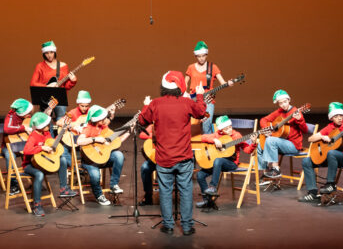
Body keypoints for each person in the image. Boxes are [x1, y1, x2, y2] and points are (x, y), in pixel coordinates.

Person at [138, 71, 207, 235]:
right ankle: (187, 226)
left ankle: (168, 226)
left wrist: (146, 105)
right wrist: (200, 96)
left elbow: (142, 121)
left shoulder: (155, 104)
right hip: (183, 157)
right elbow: (201, 112)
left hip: (164, 158)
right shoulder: (186, 103)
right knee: (185, 192)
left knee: (165, 192)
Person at [300, 102, 343, 202]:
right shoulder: (330, 127)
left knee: (331, 153)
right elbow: (310, 139)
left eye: (341, 115)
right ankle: (312, 192)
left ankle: (330, 184)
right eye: (336, 116)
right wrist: (322, 137)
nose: (339, 118)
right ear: (331, 118)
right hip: (331, 158)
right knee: (306, 161)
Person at [21, 112, 75, 217]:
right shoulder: (33, 136)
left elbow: (51, 143)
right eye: (46, 125)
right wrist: (41, 148)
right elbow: (26, 150)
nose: (49, 126)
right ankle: (37, 206)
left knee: (63, 160)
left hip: (44, 162)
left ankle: (64, 189)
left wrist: (61, 134)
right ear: (40, 126)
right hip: (30, 165)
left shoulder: (46, 133)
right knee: (39, 175)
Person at [196, 115, 256, 208]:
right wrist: (214, 140)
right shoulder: (217, 135)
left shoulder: (237, 136)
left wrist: (253, 143)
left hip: (231, 164)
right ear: (221, 130)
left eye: (230, 127)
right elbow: (201, 137)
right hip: (217, 164)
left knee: (218, 161)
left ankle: (213, 187)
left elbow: (248, 150)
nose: (229, 130)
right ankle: (208, 202)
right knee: (200, 175)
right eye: (226, 128)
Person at [76, 105, 129, 206]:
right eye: (102, 119)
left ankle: (114, 185)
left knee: (119, 155)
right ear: (97, 120)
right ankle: (99, 195)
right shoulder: (88, 128)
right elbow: (79, 141)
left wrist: (129, 130)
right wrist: (95, 139)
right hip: (90, 162)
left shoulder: (103, 126)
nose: (105, 120)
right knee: (95, 176)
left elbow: (115, 138)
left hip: (103, 157)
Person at [258, 90, 309, 178]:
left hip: (293, 145)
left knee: (270, 140)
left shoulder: (296, 111)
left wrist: (300, 119)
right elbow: (263, 120)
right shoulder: (279, 111)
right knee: (260, 145)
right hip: (280, 143)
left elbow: (305, 130)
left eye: (285, 102)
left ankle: (276, 169)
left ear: (289, 100)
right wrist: (267, 130)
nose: (283, 105)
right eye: (281, 103)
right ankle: (266, 172)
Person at [185, 40, 232, 134]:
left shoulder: (213, 67)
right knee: (193, 124)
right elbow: (184, 83)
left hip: (208, 99)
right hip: (193, 100)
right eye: (199, 56)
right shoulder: (191, 67)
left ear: (206, 55)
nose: (201, 58)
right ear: (195, 56)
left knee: (207, 123)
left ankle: (208, 146)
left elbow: (222, 82)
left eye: (203, 56)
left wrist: (228, 83)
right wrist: (185, 94)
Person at [29, 40, 76, 120]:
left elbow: (66, 86)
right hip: (45, 98)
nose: (49, 55)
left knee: (60, 119)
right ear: (43, 54)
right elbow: (33, 83)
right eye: (46, 53)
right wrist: (47, 86)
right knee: (45, 121)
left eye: (51, 52)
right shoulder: (40, 66)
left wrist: (73, 81)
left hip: (60, 97)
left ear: (55, 52)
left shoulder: (63, 66)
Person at [3, 98, 33, 195]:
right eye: (28, 113)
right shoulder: (11, 116)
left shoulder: (27, 118)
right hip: (9, 146)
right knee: (9, 156)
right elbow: (7, 129)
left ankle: (34, 177)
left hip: (22, 144)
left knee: (34, 152)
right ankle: (13, 184)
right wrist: (23, 128)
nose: (29, 114)